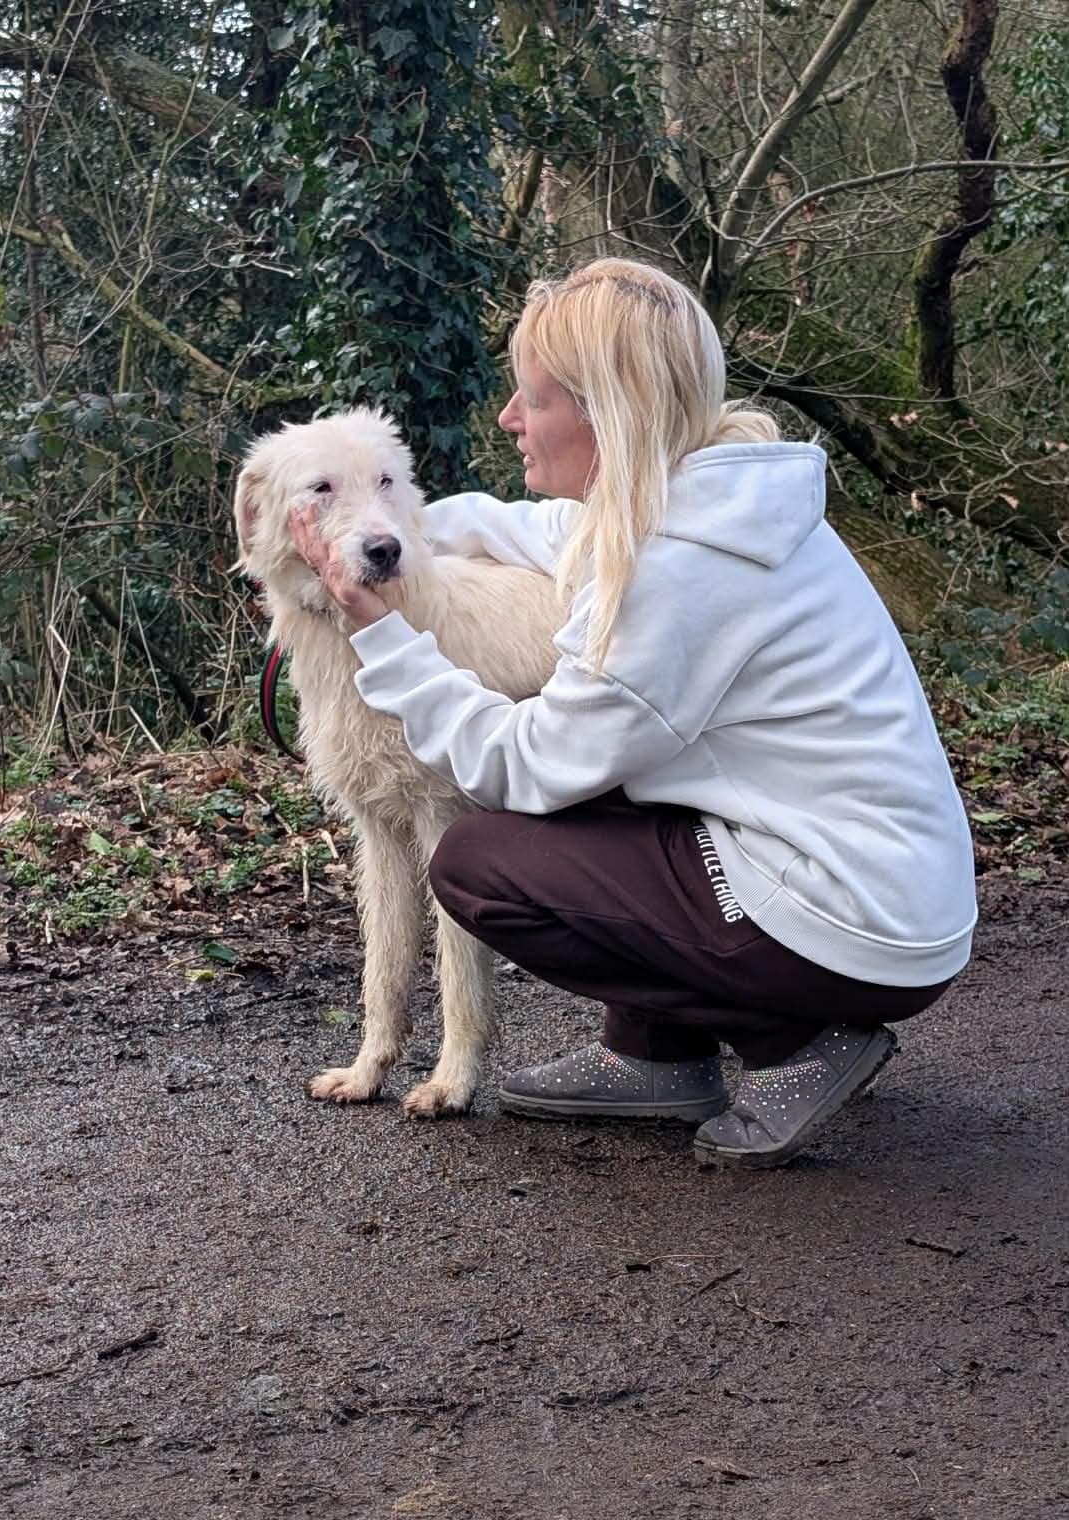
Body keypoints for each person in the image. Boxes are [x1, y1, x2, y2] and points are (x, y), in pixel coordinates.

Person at [287, 257, 977, 1170]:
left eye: (531, 399)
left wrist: (386, 639)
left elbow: (529, 766)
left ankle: (796, 1047)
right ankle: (656, 1055)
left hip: (853, 919)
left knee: (482, 860)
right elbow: (533, 531)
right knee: (604, 797)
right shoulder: (698, 501)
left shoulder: (680, 573)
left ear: (604, 410)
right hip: (875, 877)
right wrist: (382, 529)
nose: (509, 419)